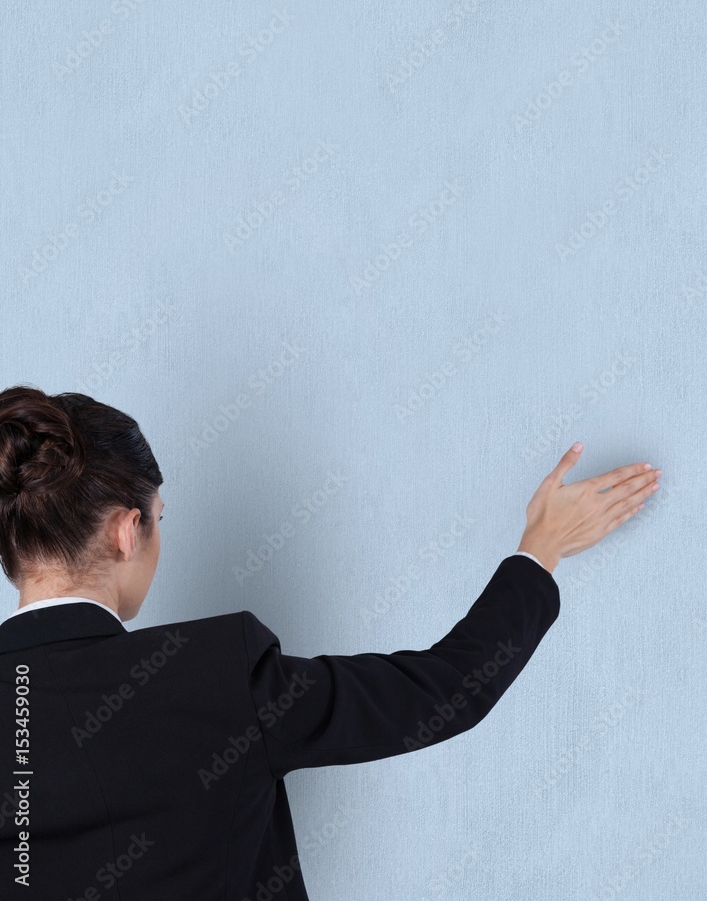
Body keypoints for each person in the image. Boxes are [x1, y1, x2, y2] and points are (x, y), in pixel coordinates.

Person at [0, 385, 661, 900]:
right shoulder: (211, 679)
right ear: (125, 530)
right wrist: (537, 550)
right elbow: (440, 691)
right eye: (160, 522)